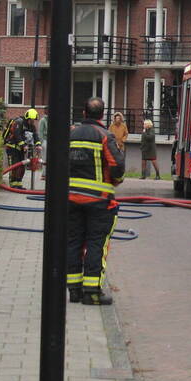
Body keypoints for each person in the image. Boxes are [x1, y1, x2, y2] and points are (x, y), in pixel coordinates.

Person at [67, 97, 125, 305]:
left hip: (70, 199)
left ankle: (73, 290)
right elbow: (117, 167)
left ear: (84, 113)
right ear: (102, 115)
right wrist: (114, 181)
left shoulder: (71, 134)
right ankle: (91, 292)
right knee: (95, 244)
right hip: (99, 202)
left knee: (72, 241)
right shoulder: (104, 135)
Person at [3, 108, 41, 188]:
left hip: (21, 150)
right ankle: (13, 184)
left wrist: (38, 145)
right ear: (27, 118)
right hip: (12, 148)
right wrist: (24, 145)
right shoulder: (19, 123)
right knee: (14, 165)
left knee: (22, 167)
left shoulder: (32, 126)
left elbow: (35, 136)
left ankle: (19, 183)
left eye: (34, 120)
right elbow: (17, 136)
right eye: (31, 120)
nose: (33, 122)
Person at [38, 112, 49, 181]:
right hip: (45, 141)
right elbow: (40, 131)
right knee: (45, 158)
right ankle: (44, 174)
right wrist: (41, 142)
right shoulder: (43, 120)